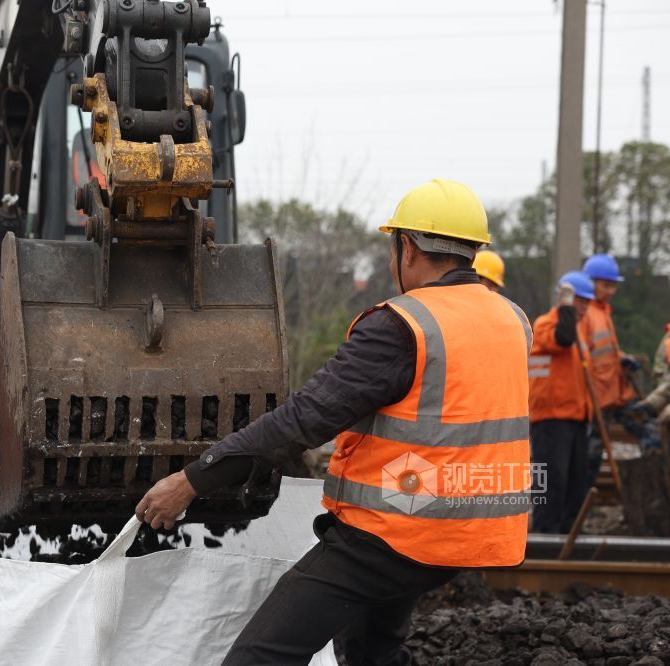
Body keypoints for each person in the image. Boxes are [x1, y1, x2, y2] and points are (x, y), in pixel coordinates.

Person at [136, 179, 532, 665]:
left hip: (398, 534)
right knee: (372, 651)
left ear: (405, 246)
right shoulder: (513, 319)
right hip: (479, 531)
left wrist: (194, 479)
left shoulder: (402, 326)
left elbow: (303, 420)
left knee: (259, 657)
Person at [580, 254, 660, 471]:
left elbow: (607, 351)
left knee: (650, 429)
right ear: (591, 283)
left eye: (613, 286)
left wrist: (623, 358)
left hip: (617, 393)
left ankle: (652, 481)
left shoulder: (603, 312)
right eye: (607, 285)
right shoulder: (586, 313)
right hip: (599, 398)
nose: (612, 291)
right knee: (591, 455)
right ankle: (586, 498)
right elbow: (583, 359)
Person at [528, 271, 593, 533]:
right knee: (553, 483)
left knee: (575, 484)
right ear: (565, 299)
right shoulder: (546, 324)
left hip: (576, 419)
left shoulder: (578, 332)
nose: (584, 307)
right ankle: (545, 535)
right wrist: (565, 307)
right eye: (579, 300)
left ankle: (567, 535)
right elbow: (563, 338)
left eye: (588, 302)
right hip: (551, 419)